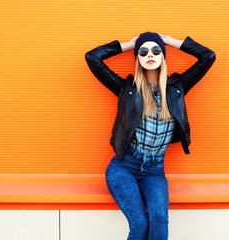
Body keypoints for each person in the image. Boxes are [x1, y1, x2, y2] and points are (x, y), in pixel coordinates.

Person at [85, 32, 216, 240]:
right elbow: (92, 57)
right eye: (143, 52)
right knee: (140, 224)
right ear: (137, 58)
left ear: (163, 55)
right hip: (123, 167)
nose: (150, 55)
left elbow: (208, 56)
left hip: (154, 170)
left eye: (156, 51)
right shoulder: (127, 88)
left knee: (159, 220)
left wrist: (170, 41)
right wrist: (129, 45)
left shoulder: (177, 87)